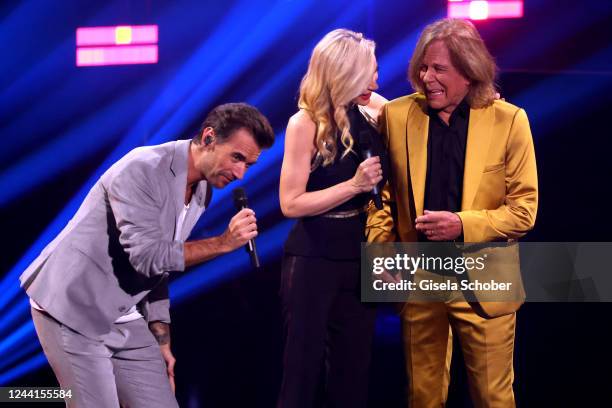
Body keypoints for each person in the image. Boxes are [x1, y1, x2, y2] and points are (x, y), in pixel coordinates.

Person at [19, 103, 275, 407]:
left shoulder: (203, 189)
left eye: (249, 165)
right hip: (74, 306)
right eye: (237, 157)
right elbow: (148, 256)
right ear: (208, 137)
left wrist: (160, 334)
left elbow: (159, 267)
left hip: (122, 311)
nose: (240, 173)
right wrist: (223, 243)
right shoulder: (143, 168)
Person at [367, 18, 538, 408]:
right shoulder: (396, 116)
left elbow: (524, 211)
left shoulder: (510, 120)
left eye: (439, 69)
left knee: (493, 398)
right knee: (422, 398)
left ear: (469, 71)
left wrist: (461, 224)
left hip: (486, 280)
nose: (427, 78)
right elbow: (382, 199)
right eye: (423, 68)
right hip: (418, 277)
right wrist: (383, 256)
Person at [277, 29, 388, 408]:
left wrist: (484, 104)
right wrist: (354, 185)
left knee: (353, 368)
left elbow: (423, 113)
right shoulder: (304, 123)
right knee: (302, 368)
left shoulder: (375, 109)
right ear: (343, 73)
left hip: (361, 253)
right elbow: (290, 203)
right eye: (369, 73)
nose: (377, 81)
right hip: (314, 254)